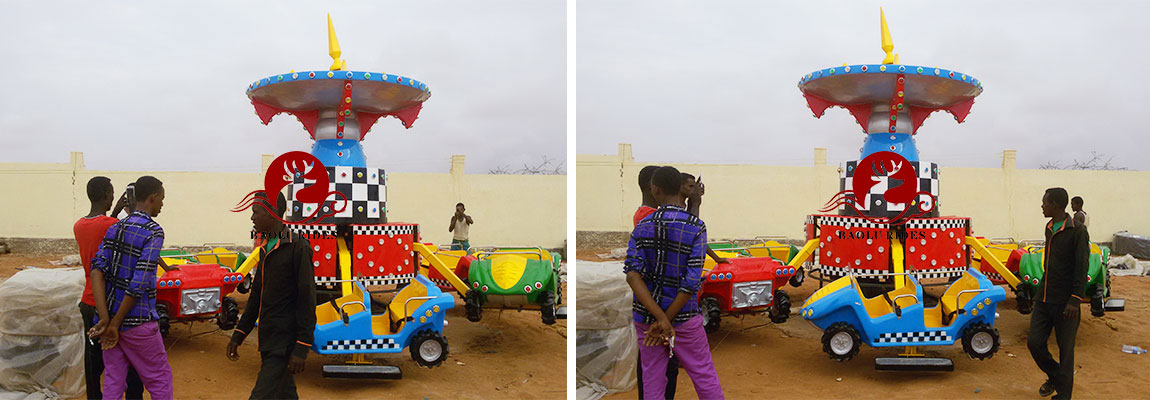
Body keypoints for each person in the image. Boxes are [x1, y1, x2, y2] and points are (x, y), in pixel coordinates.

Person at [625, 166, 724, 400]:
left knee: (652, 379)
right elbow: (691, 281)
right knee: (703, 373)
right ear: (680, 189)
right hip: (684, 317)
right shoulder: (696, 227)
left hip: (646, 319)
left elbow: (632, 275)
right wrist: (666, 319)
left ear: (654, 189)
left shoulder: (641, 227)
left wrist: (659, 318)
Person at [87, 176, 174, 400]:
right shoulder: (154, 232)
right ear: (152, 198)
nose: (162, 205)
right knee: (159, 379)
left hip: (108, 320)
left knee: (114, 380)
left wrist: (106, 319)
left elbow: (96, 270)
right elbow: (140, 282)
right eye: (161, 200)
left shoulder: (115, 228)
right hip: (139, 322)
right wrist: (114, 323)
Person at [226, 192, 316, 400]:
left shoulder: (298, 247)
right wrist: (239, 333)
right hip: (269, 339)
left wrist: (302, 346)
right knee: (286, 394)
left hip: (284, 343)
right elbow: (257, 296)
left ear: (273, 213)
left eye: (255, 212)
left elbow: (307, 298)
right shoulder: (266, 247)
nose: (252, 217)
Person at [75, 177, 144, 400]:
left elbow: (101, 232)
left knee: (93, 361)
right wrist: (132, 210)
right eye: (112, 193)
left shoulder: (79, 225)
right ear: (106, 194)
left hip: (87, 299)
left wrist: (113, 212)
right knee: (128, 358)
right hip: (109, 302)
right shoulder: (113, 225)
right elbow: (129, 236)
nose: (114, 197)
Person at [1028, 187, 1090, 399]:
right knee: (1034, 343)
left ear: (1055, 204)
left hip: (1066, 304)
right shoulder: (1049, 227)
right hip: (1044, 298)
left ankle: (1064, 395)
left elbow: (1082, 267)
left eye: (1044, 202)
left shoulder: (1078, 231)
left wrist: (1075, 299)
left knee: (1066, 351)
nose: (1042, 206)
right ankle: (1056, 376)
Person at [633, 165, 680, 399]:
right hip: (655, 298)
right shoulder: (647, 217)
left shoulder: (649, 215)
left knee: (657, 359)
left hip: (656, 297)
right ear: (653, 187)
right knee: (656, 360)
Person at [681, 172, 729, 266]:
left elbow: (698, 238)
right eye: (691, 186)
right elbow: (692, 232)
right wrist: (695, 203)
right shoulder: (678, 208)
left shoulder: (686, 206)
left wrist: (716, 258)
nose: (694, 190)